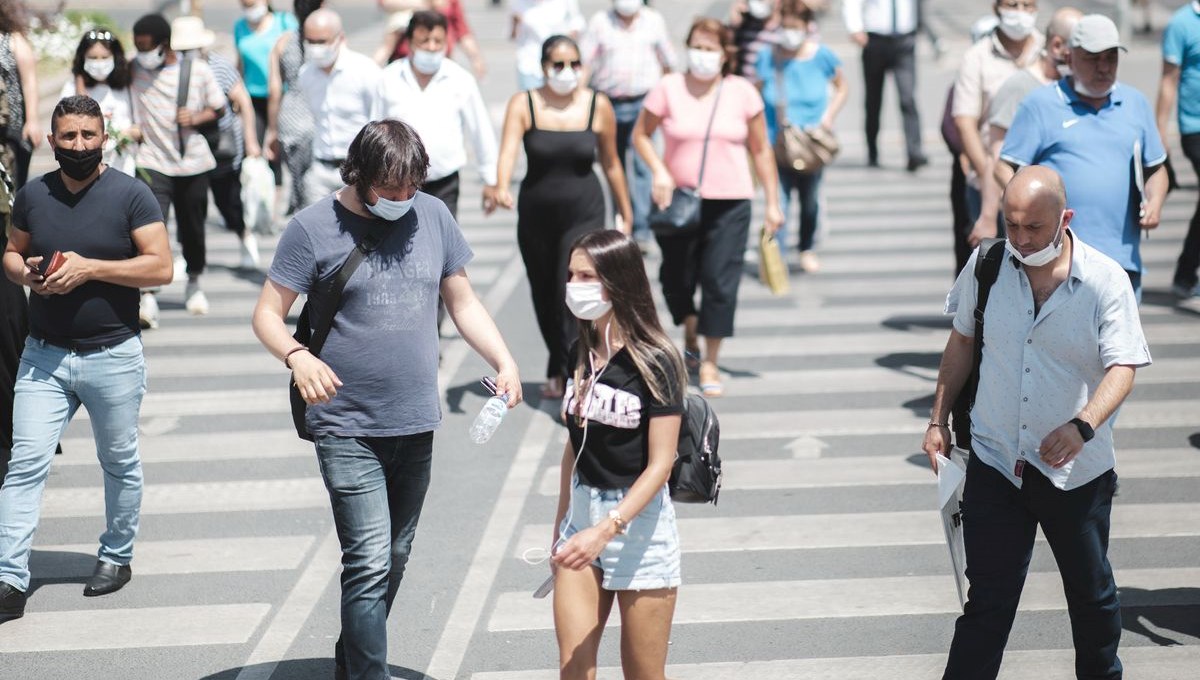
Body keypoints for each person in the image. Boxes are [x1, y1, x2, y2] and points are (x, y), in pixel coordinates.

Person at [251, 119, 522, 680]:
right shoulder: (312, 229)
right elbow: (267, 315)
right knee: (370, 559)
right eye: (389, 189)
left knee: (395, 557)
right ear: (359, 174)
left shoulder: (434, 216)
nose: (402, 200)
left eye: (411, 188)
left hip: (414, 419)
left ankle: (353, 654)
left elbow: (463, 302)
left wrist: (504, 359)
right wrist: (298, 358)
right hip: (345, 424)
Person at [922, 165, 1150, 680]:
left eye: (1034, 228)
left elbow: (1124, 367)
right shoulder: (987, 264)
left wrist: (1082, 426)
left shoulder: (1104, 280)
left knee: (1092, 600)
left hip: (1075, 475)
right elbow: (961, 341)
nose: (1021, 241)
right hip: (996, 462)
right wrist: (938, 417)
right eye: (1012, 225)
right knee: (986, 606)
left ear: (1064, 219)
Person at [0, 95, 173, 622]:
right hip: (44, 357)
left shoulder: (132, 195)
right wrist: (25, 273)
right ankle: (8, 576)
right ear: (51, 141)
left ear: (105, 137)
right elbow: (10, 253)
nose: (78, 146)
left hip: (113, 354)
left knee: (118, 461)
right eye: (68, 137)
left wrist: (91, 269)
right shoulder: (33, 195)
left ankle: (116, 556)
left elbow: (160, 267)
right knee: (24, 464)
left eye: (88, 136)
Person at [552, 229, 685, 680]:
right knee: (573, 672)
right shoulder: (580, 353)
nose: (575, 285)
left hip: (639, 527)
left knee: (643, 674)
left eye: (587, 275)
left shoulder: (656, 360)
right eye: (572, 274)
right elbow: (575, 445)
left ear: (618, 282)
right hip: (582, 514)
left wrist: (607, 530)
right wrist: (563, 529)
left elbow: (661, 464)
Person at [633, 18, 783, 398]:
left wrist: (773, 203)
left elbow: (761, 149)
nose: (702, 55)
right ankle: (690, 326)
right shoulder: (668, 88)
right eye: (696, 47)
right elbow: (640, 136)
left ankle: (710, 359)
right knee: (675, 277)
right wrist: (659, 170)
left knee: (720, 280)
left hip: (731, 201)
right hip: (678, 201)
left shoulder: (742, 92)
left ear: (725, 53)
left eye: (710, 48)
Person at [493, 35, 632, 400]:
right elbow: (507, 151)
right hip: (537, 213)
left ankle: (579, 372)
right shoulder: (524, 103)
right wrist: (501, 185)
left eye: (574, 64)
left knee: (570, 289)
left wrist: (626, 210)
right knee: (543, 292)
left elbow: (612, 162)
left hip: (584, 211)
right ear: (543, 67)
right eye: (558, 65)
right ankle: (558, 362)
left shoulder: (596, 105)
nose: (567, 72)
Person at [1000, 14, 1167, 299]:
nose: (1103, 68)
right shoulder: (1040, 105)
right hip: (1057, 261)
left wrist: (1155, 202)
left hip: (1120, 260)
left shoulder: (1135, 103)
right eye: (1093, 58)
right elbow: (1005, 167)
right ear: (1069, 57)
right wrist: (1026, 215)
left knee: (1119, 344)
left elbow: (1156, 169)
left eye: (1110, 58)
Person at [129, 13, 227, 318]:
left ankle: (194, 281)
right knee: (149, 227)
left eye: (146, 47)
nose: (141, 54)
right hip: (151, 162)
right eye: (137, 47)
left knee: (193, 227)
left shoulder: (196, 71)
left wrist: (196, 118)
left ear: (164, 44)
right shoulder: (133, 70)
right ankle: (148, 293)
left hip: (193, 162)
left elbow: (220, 107)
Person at [971, 8, 1081, 255]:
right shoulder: (1019, 88)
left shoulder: (1075, 90)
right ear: (1056, 46)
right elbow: (996, 159)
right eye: (1080, 48)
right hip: (1035, 227)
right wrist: (988, 216)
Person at [372, 10, 497, 219]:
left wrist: (490, 179)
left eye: (438, 41)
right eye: (424, 41)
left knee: (442, 245)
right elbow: (374, 130)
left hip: (444, 183)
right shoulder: (388, 79)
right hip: (396, 184)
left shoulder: (460, 79)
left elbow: (480, 129)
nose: (431, 47)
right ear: (410, 42)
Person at [757, 0, 848, 271]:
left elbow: (842, 86)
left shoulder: (822, 56)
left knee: (810, 201)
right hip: (777, 141)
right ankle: (778, 255)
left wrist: (828, 116)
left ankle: (806, 247)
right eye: (785, 27)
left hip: (810, 142)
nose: (789, 33)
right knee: (779, 200)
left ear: (806, 28)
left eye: (794, 27)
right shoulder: (767, 56)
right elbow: (755, 91)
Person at [580, 0, 675, 243]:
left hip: (643, 101)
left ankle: (642, 228)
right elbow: (585, 64)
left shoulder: (653, 20)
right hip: (608, 102)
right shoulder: (600, 23)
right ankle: (622, 220)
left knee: (643, 167)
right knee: (613, 165)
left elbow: (668, 61)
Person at [174, 15, 263, 271]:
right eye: (181, 50)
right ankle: (187, 254)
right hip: (188, 148)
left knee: (228, 200)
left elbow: (243, 101)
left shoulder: (218, 66)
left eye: (189, 49)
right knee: (189, 205)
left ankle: (245, 237)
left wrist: (250, 142)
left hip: (221, 145)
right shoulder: (170, 70)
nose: (185, 54)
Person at [954, 0, 1043, 235]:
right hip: (988, 186)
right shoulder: (977, 57)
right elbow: (965, 123)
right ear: (997, 9)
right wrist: (990, 180)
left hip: (1042, 188)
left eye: (1027, 5)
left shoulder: (1049, 53)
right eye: (1013, 5)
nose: (1020, 13)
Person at [297, 8, 382, 206]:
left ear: (340, 38)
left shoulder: (365, 71)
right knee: (315, 231)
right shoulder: (306, 75)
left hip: (358, 171)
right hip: (320, 168)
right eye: (310, 41)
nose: (315, 47)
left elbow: (380, 120)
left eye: (322, 41)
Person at [842, 0, 926, 170]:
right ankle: (872, 150)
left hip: (905, 38)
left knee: (907, 98)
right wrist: (855, 27)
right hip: (875, 38)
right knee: (873, 100)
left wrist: (920, 23)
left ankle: (914, 152)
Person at [1157, 1, 1200, 300]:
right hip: (1194, 127)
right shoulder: (1181, 23)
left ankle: (1185, 273)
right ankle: (1185, 273)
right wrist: (1161, 133)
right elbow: (1168, 81)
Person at [265, 0, 323, 217]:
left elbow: (274, 90)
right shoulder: (327, 40)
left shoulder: (282, 42)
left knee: (299, 185)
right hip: (318, 116)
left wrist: (272, 130)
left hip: (291, 120)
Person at [234, 0, 298, 191]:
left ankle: (287, 195)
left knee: (282, 148)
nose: (250, 8)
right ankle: (263, 198)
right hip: (253, 97)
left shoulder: (285, 22)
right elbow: (240, 62)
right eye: (245, 5)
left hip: (282, 97)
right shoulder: (239, 27)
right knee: (254, 150)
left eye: (253, 3)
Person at [61, 29, 138, 177]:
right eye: (93, 57)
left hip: (123, 167)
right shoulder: (71, 88)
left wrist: (129, 134)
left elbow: (137, 125)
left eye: (104, 57)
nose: (99, 63)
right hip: (86, 171)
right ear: (83, 58)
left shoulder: (126, 87)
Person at [376, 0, 487, 77]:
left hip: (441, 63)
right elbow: (384, 3)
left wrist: (476, 58)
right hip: (406, 65)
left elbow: (462, 31)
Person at [0, 1, 40, 189]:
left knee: (12, 187)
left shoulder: (13, 40)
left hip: (11, 130)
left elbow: (29, 81)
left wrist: (32, 120)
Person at [509, 0, 586, 90]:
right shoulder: (518, 3)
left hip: (558, 63)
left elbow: (577, 22)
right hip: (530, 62)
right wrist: (515, 24)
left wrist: (564, 42)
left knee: (559, 100)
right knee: (531, 100)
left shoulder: (566, 2)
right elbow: (512, 35)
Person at [729, 0, 779, 86]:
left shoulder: (783, 29)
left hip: (770, 90)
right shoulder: (744, 26)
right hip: (744, 85)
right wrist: (735, 22)